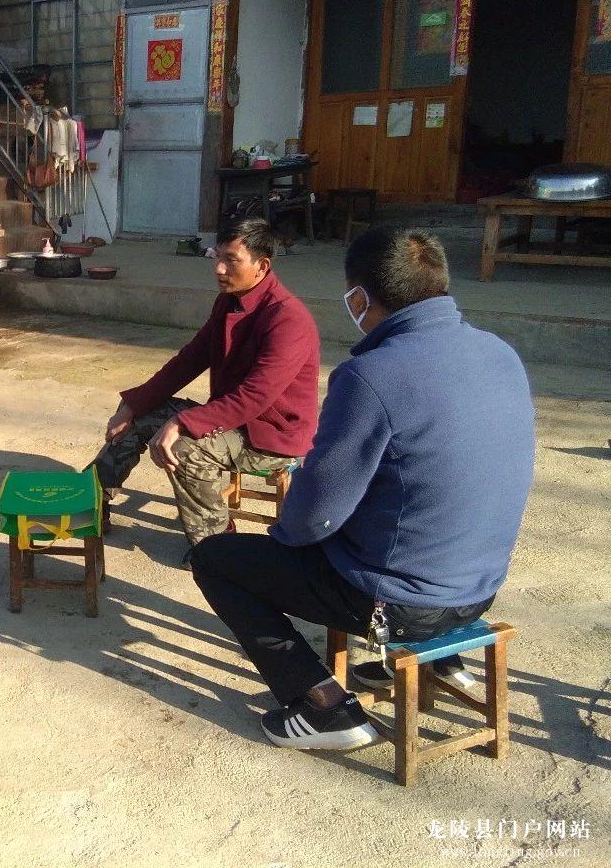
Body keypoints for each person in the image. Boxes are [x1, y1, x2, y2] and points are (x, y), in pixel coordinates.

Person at [191, 227, 535, 751]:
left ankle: (324, 708)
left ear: (358, 299)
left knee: (216, 559)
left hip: (402, 604)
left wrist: (287, 542)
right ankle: (437, 658)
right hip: (480, 587)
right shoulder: (501, 354)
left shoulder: (371, 375)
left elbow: (314, 515)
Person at [90, 218, 320, 565]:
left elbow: (254, 397)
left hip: (269, 435)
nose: (219, 268)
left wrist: (183, 423)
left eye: (231, 260)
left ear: (262, 266)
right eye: (218, 256)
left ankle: (218, 548)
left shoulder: (288, 320)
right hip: (232, 419)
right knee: (140, 414)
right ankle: (91, 501)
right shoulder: (228, 302)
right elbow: (190, 359)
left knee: (185, 448)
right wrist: (133, 404)